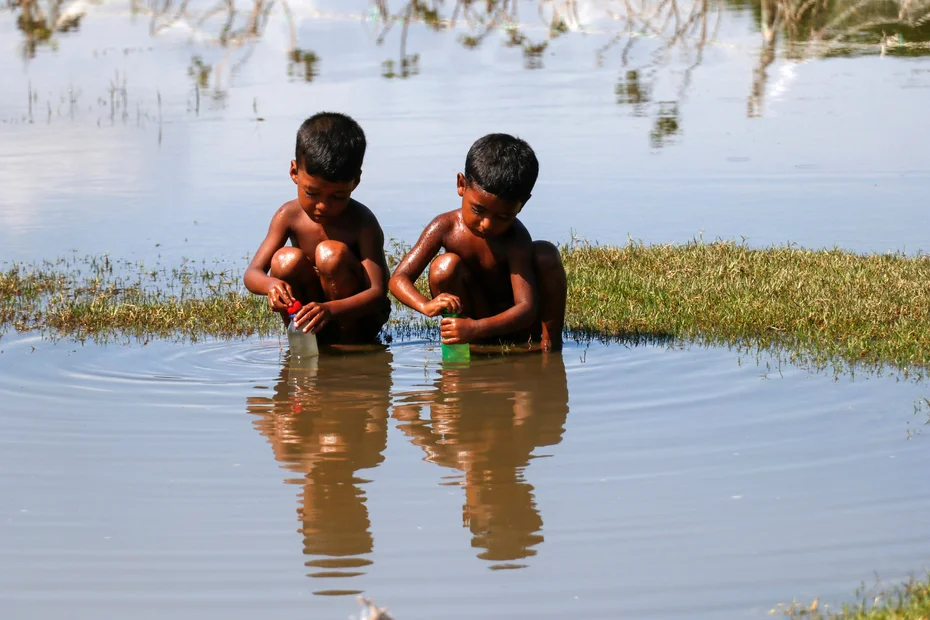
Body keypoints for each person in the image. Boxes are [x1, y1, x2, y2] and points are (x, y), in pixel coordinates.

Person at [388, 133, 567, 352]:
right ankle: (465, 348)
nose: (487, 225)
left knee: (546, 254)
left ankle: (550, 347)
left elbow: (526, 308)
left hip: (517, 329)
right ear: (461, 184)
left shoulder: (515, 238)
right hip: (468, 328)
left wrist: (477, 327)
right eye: (478, 210)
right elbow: (398, 279)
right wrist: (425, 305)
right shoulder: (445, 227)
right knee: (444, 267)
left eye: (503, 217)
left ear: (522, 204)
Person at [244, 112, 390, 345]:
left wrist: (330, 310)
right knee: (284, 259)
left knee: (330, 254)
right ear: (294, 173)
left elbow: (377, 293)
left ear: (355, 182)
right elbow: (252, 274)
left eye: (338, 196)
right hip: (310, 317)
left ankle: (347, 344)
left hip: (356, 321)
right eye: (312, 193)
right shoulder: (288, 216)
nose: (323, 206)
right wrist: (271, 285)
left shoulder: (362, 222)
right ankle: (306, 336)